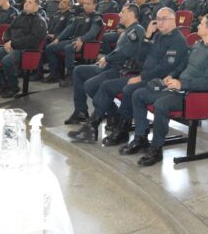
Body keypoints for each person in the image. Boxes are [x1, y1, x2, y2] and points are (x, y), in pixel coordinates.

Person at [119, 14, 208, 166]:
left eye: (201, 24)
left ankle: (156, 149)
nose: (197, 26)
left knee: (161, 104)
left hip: (193, 95)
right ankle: (140, 137)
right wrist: (171, 76)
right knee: (138, 95)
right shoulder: (198, 44)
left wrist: (182, 84)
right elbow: (183, 65)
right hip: (178, 87)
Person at [69, 8, 189, 144]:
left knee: (129, 90)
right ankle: (92, 127)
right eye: (158, 19)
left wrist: (141, 78)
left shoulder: (177, 40)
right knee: (106, 86)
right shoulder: (158, 36)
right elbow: (141, 57)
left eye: (164, 19)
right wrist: (148, 36)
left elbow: (165, 68)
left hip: (159, 81)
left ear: (174, 20)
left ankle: (122, 130)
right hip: (145, 75)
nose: (160, 23)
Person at [64, 4, 146, 122]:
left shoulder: (137, 30)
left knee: (90, 85)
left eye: (123, 12)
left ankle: (113, 113)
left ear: (131, 14)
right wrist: (107, 59)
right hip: (111, 65)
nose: (119, 15)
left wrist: (107, 58)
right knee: (78, 70)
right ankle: (81, 111)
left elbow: (125, 52)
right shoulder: (128, 30)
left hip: (120, 69)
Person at [0, 0, 48, 98]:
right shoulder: (20, 17)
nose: (26, 4)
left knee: (6, 61)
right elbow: (8, 30)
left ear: (37, 5)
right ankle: (3, 83)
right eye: (26, 1)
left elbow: (32, 40)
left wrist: (13, 43)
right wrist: (7, 41)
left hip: (25, 50)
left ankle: (13, 86)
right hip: (11, 46)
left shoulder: (39, 21)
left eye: (30, 2)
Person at [44, 0, 102, 82]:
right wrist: (58, 39)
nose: (85, 6)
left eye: (89, 4)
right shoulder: (80, 16)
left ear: (94, 5)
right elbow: (70, 28)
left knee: (68, 48)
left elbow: (92, 33)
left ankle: (70, 75)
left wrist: (82, 39)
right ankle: (54, 74)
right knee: (50, 48)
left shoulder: (97, 18)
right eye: (85, 3)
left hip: (86, 43)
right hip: (74, 40)